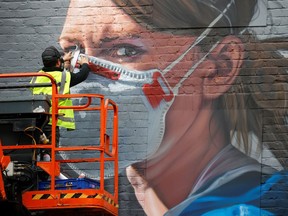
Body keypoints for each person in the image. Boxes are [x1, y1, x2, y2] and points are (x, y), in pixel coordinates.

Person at [58, 0, 288, 215]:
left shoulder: (259, 207)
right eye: (72, 52)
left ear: (219, 68)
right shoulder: (98, 198)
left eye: (125, 51)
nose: (83, 76)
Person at [30, 46, 90, 162]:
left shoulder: (38, 75)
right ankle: (46, 165)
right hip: (52, 120)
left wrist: (62, 60)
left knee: (37, 148)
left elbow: (50, 69)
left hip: (37, 119)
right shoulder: (64, 76)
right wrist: (85, 64)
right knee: (50, 150)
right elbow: (82, 75)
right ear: (58, 62)